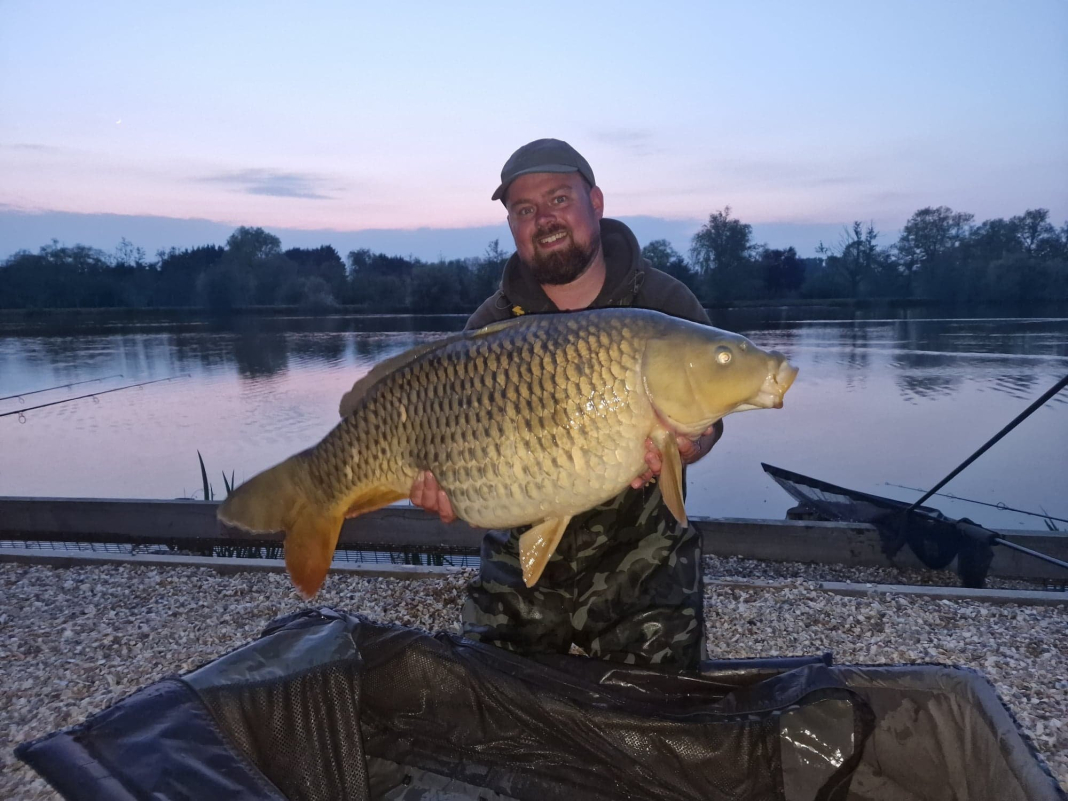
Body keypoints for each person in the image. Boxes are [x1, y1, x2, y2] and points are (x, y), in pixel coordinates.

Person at [410, 139, 722, 669]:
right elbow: (449, 448)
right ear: (512, 225)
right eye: (524, 210)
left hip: (644, 563)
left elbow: (710, 420)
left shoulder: (664, 307)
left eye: (559, 199)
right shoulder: (490, 326)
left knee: (663, 705)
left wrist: (695, 444)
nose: (544, 220)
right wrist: (445, 488)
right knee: (492, 696)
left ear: (595, 202)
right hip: (520, 564)